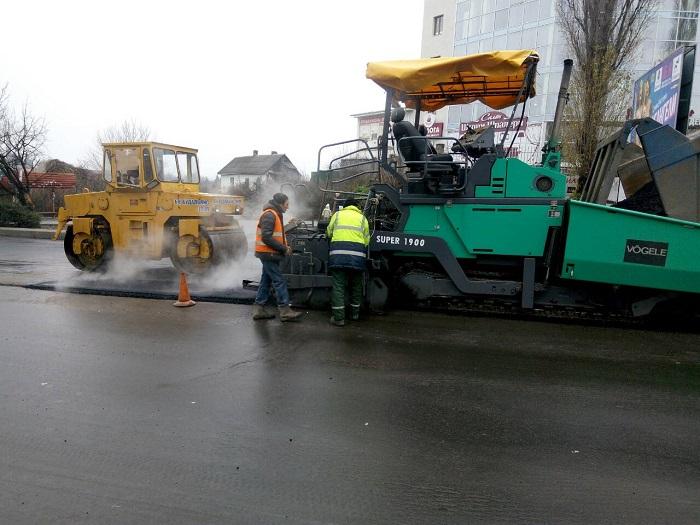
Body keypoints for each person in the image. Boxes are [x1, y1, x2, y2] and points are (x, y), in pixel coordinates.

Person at [252, 192, 302, 322]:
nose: (288, 207)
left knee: (266, 280)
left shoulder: (273, 214)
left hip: (268, 253)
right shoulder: (270, 214)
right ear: (280, 204)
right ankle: (285, 311)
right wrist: (284, 248)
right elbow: (266, 237)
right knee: (279, 281)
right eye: (286, 204)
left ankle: (259, 309)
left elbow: (274, 234)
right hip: (268, 253)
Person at [326, 198, 370, 326]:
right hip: (357, 258)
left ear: (344, 206)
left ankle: (339, 318)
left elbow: (329, 232)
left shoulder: (337, 215)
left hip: (338, 256)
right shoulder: (363, 219)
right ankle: (354, 314)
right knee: (356, 285)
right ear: (356, 207)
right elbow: (367, 240)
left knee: (339, 286)